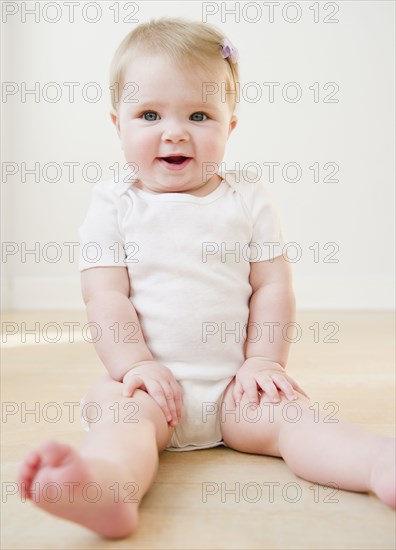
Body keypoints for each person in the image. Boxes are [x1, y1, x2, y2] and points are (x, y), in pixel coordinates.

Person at [18, 17, 395, 539]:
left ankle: (377, 462)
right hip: (148, 386)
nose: (174, 132)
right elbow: (105, 295)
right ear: (117, 124)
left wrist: (263, 361)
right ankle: (108, 490)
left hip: (235, 388)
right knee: (120, 421)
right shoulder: (115, 202)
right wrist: (135, 366)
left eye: (199, 114)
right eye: (149, 114)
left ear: (229, 126)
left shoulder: (246, 196)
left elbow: (272, 286)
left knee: (297, 420)